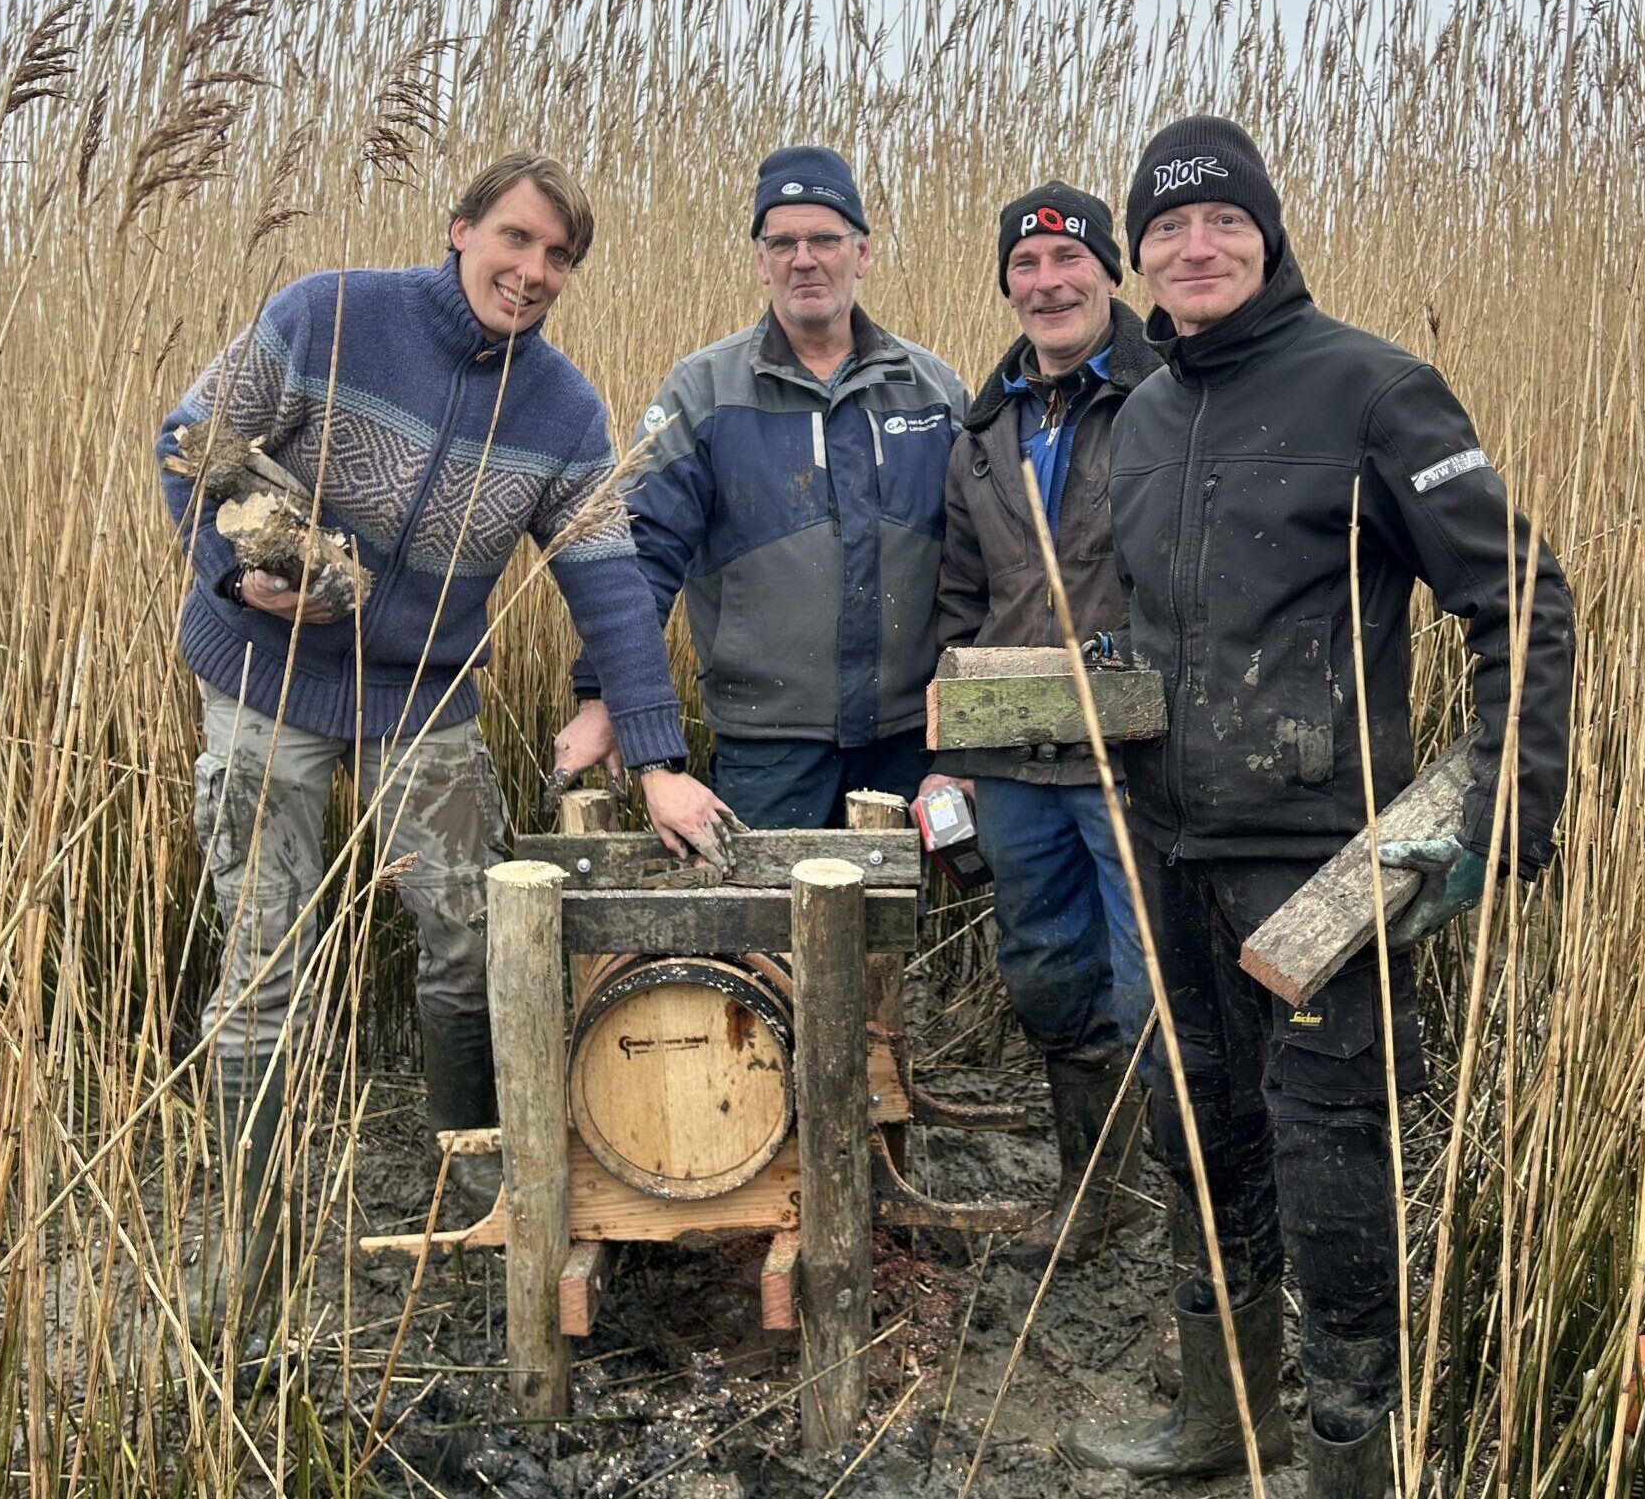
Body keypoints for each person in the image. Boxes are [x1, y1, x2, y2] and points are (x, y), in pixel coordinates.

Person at [1061, 117, 1574, 1493]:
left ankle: (1352, 1452)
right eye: (1167, 228)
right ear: (1139, 256)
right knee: (1198, 1128)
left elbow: (1522, 601)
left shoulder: (1375, 390)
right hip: (1171, 848)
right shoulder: (1145, 415)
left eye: (1223, 221)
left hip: (1321, 865)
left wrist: (1502, 812)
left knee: (1333, 1161)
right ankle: (1225, 1419)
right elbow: (1164, 625)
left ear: (1269, 235)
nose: (1196, 247)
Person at [157, 151, 732, 1339]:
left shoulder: (564, 411)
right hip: (263, 678)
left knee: (471, 938)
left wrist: (658, 756)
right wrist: (232, 572)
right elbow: (192, 441)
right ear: (461, 227)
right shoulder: (327, 315)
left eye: (558, 256)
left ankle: (475, 1179)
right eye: (515, 238)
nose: (532, 271)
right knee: (263, 965)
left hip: (423, 697)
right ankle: (254, 1251)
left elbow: (611, 583)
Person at [923, 182, 1161, 1267]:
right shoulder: (984, 431)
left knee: (1152, 985)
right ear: (1007, 284)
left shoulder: (1167, 400)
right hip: (1014, 758)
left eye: (1070, 260)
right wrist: (952, 756)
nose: (1049, 282)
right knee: (1047, 975)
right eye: (1026, 265)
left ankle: (1193, 1215)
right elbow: (959, 603)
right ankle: (1093, 1198)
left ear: (1110, 271)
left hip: (1135, 755)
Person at [623, 146, 968, 827]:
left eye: (824, 240)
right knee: (768, 902)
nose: (803, 259)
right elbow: (639, 560)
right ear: (762, 262)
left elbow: (981, 564)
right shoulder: (704, 391)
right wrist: (610, 703)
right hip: (767, 754)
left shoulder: (934, 392)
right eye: (783, 243)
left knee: (902, 903)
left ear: (862, 253)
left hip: (911, 748)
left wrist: (967, 738)